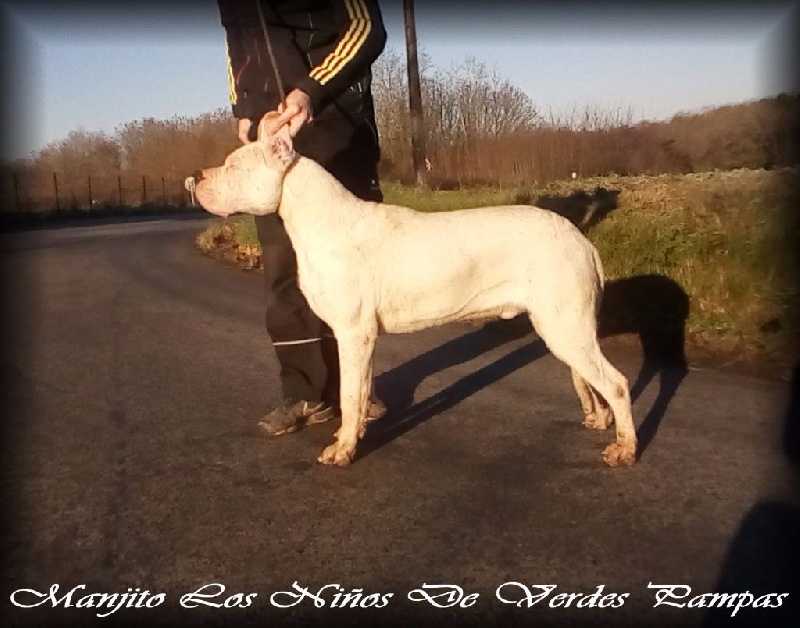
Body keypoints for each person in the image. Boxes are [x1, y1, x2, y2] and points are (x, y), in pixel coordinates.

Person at [216, 0, 388, 435]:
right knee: (284, 269)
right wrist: (244, 106)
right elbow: (237, 43)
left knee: (350, 268)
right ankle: (305, 394)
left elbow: (366, 28)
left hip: (335, 123)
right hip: (268, 129)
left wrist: (311, 89)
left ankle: (354, 392)